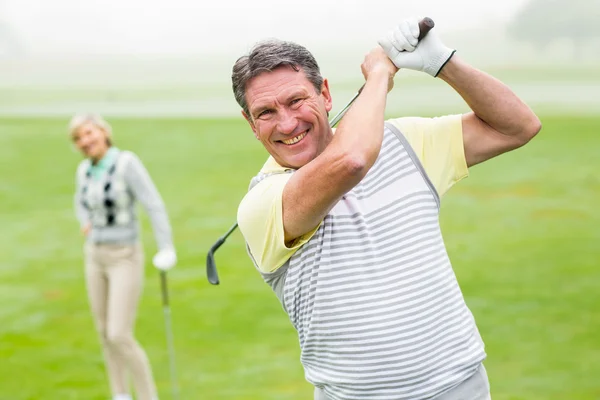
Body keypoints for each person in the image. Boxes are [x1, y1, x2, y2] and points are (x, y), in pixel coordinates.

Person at [232, 17, 541, 400]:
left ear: (325, 95)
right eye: (265, 112)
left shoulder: (405, 142)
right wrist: (379, 74)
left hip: (460, 387)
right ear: (250, 123)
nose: (287, 122)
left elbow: (517, 126)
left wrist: (443, 62)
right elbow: (350, 162)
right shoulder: (261, 204)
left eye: (297, 100)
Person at [70, 114, 177, 400]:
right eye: (79, 138)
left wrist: (166, 246)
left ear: (104, 132)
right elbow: (80, 202)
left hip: (124, 256)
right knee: (104, 332)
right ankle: (119, 393)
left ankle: (147, 395)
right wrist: (85, 221)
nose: (85, 142)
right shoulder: (84, 170)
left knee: (119, 333)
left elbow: (153, 204)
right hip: (94, 255)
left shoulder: (126, 163)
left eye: (89, 134)